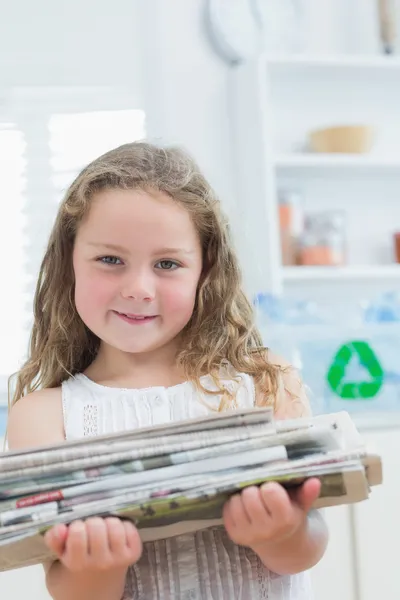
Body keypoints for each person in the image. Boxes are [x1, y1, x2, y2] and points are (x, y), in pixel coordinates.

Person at [7, 141, 328, 600]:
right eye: (110, 259)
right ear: (69, 262)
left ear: (206, 270)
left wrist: (280, 532)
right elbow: (66, 586)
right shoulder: (41, 417)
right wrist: (98, 567)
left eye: (167, 264)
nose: (138, 288)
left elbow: (309, 546)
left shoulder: (266, 381)